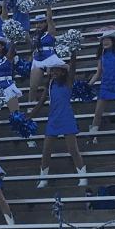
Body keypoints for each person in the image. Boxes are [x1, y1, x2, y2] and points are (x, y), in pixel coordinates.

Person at [34, 57, 87, 188]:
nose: (53, 73)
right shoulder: (50, 84)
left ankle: (83, 177)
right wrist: (29, 115)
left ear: (63, 72)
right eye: (52, 71)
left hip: (66, 118)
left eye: (56, 70)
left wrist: (73, 52)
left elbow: (73, 68)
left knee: (73, 149)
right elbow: (41, 103)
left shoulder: (68, 82)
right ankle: (43, 178)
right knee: (46, 150)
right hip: (53, 119)